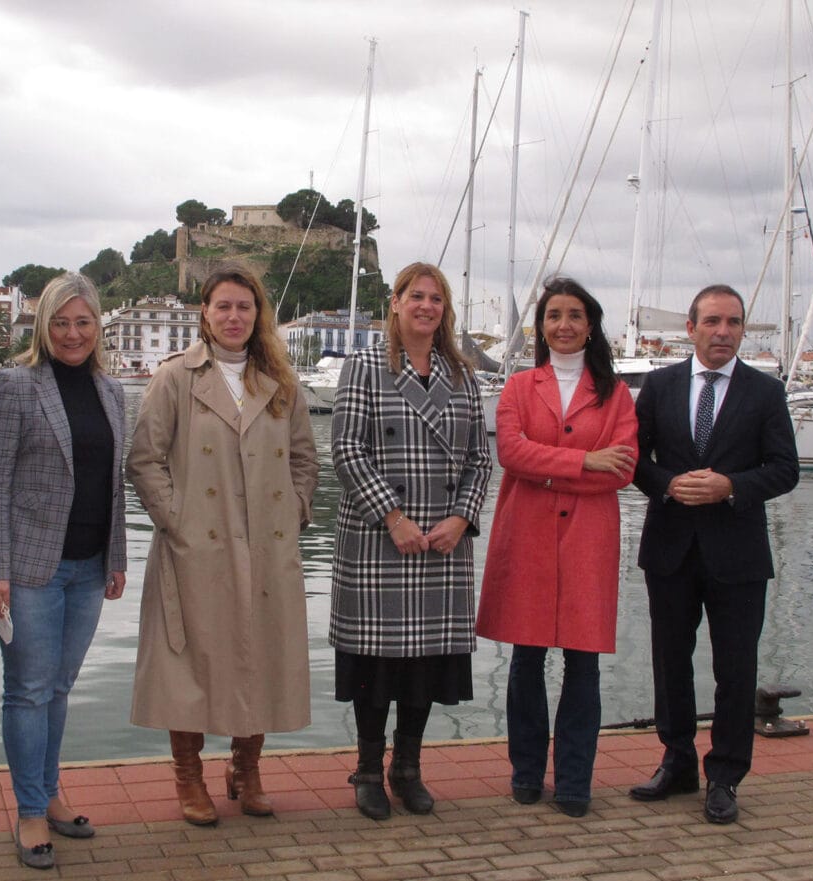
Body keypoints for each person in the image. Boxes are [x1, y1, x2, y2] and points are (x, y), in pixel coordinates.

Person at [127, 261, 319, 826]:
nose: (234, 316)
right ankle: (189, 776)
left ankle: (248, 768)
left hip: (267, 544)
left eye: (244, 306)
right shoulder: (175, 378)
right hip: (197, 546)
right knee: (184, 660)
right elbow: (145, 458)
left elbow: (306, 459)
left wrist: (296, 509)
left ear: (259, 313)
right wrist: (177, 520)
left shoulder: (281, 382)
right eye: (223, 306)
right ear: (204, 314)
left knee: (259, 653)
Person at [629, 284, 799, 824]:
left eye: (733, 322)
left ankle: (724, 774)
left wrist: (731, 486)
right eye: (712, 322)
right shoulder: (658, 386)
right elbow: (635, 460)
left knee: (735, 668)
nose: (723, 331)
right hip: (670, 548)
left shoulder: (766, 393)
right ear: (691, 327)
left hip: (739, 553)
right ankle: (677, 761)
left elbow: (785, 469)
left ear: (743, 329)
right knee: (670, 661)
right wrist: (667, 483)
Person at [329, 261, 493, 820]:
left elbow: (479, 459)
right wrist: (393, 517)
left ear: (445, 310)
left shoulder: (463, 375)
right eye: (415, 296)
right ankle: (369, 769)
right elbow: (348, 450)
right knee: (377, 666)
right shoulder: (364, 366)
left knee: (425, 665)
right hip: (381, 540)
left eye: (436, 299)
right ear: (395, 303)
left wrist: (463, 520)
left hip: (442, 543)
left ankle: (408, 767)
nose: (426, 306)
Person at [0, 273, 126, 869]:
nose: (72, 333)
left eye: (83, 322)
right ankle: (31, 811)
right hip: (30, 567)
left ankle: (52, 792)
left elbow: (111, 485)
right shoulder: (15, 385)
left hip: (89, 565)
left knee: (58, 689)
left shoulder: (110, 390)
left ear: (97, 327)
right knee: (30, 689)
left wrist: (115, 559)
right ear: (43, 327)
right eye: (61, 322)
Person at [476, 277, 637, 818]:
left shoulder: (616, 393)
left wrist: (559, 470)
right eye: (553, 316)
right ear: (540, 327)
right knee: (526, 660)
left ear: (591, 325)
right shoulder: (520, 387)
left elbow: (624, 467)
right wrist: (583, 462)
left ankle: (573, 780)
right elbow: (513, 455)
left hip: (588, 541)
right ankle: (525, 773)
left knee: (583, 666)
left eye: (573, 315)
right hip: (528, 538)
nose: (563, 325)